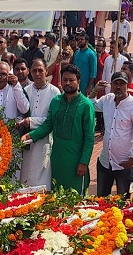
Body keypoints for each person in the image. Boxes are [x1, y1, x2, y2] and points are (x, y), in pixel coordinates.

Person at [22, 65, 96, 194]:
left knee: (75, 199)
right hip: (57, 159)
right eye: (65, 79)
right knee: (57, 197)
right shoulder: (56, 101)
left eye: (71, 80)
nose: (68, 83)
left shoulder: (86, 105)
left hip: (76, 161)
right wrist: (31, 136)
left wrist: (84, 162)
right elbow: (48, 125)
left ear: (78, 81)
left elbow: (89, 138)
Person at [89, 72, 133, 198]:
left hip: (123, 164)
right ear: (111, 85)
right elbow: (91, 105)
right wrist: (95, 90)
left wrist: (131, 161)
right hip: (104, 162)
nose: (118, 87)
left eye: (122, 84)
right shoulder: (107, 100)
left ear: (128, 85)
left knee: (122, 204)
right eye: (115, 83)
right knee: (101, 200)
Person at [19, 59, 60, 190]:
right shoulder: (25, 90)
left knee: (43, 174)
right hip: (26, 140)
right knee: (26, 172)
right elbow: (20, 112)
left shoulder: (55, 92)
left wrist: (31, 121)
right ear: (30, 72)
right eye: (34, 71)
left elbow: (52, 119)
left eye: (40, 70)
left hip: (45, 139)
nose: (37, 74)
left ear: (46, 71)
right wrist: (20, 121)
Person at [0, 62, 30, 129]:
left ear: (9, 75)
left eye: (3, 74)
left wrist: (16, 86)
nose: (0, 77)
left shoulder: (15, 88)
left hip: (13, 131)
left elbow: (24, 110)